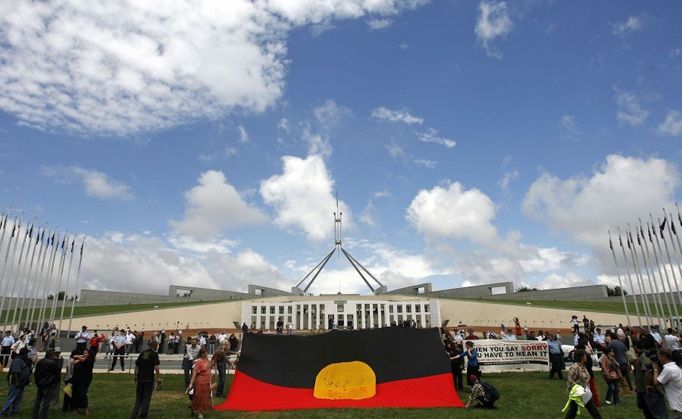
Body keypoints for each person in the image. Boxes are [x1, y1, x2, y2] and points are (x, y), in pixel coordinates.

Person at [563, 349, 602, 419]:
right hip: (578, 393)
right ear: (581, 357)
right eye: (585, 356)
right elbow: (570, 380)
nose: (586, 357)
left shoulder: (583, 366)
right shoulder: (575, 367)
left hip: (585, 392)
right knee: (574, 411)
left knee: (575, 411)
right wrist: (578, 390)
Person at [131, 340, 160, 419]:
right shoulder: (154, 354)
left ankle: (134, 414)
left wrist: (135, 375)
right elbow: (156, 367)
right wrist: (158, 378)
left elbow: (136, 365)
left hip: (140, 377)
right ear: (155, 346)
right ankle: (143, 415)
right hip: (149, 378)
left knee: (139, 397)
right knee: (146, 397)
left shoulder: (143, 353)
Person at [1, 347, 32, 417]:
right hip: (16, 382)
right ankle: (4, 412)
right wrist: (17, 382)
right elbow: (16, 372)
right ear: (24, 353)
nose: (28, 354)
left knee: (18, 398)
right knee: (11, 397)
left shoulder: (25, 360)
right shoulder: (18, 360)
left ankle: (14, 411)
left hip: (22, 382)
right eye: (27, 353)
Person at [32, 348, 63, 419]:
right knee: (46, 403)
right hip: (49, 385)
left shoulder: (40, 362)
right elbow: (57, 373)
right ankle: (43, 416)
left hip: (40, 384)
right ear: (52, 355)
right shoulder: (53, 363)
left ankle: (35, 416)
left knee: (38, 401)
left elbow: (36, 373)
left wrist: (37, 382)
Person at [653, 349, 682, 419]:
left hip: (677, 404)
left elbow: (656, 382)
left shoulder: (668, 369)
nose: (659, 359)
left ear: (664, 357)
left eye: (659, 356)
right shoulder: (675, 366)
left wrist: (655, 369)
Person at [188, 348, 212, 419]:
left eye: (207, 352)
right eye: (205, 353)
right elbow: (194, 373)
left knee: (205, 397)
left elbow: (209, 369)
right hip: (200, 382)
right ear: (202, 354)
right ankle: (200, 413)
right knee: (199, 397)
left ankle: (194, 407)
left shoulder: (207, 361)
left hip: (207, 382)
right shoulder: (198, 362)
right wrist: (191, 383)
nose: (207, 354)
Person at [71, 349, 95, 416]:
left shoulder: (90, 360)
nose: (84, 354)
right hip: (77, 379)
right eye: (84, 353)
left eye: (86, 353)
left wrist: (78, 356)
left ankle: (86, 409)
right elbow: (74, 362)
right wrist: (80, 357)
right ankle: (75, 409)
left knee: (83, 394)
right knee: (75, 394)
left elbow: (77, 357)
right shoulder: (82, 359)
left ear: (89, 354)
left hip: (85, 380)